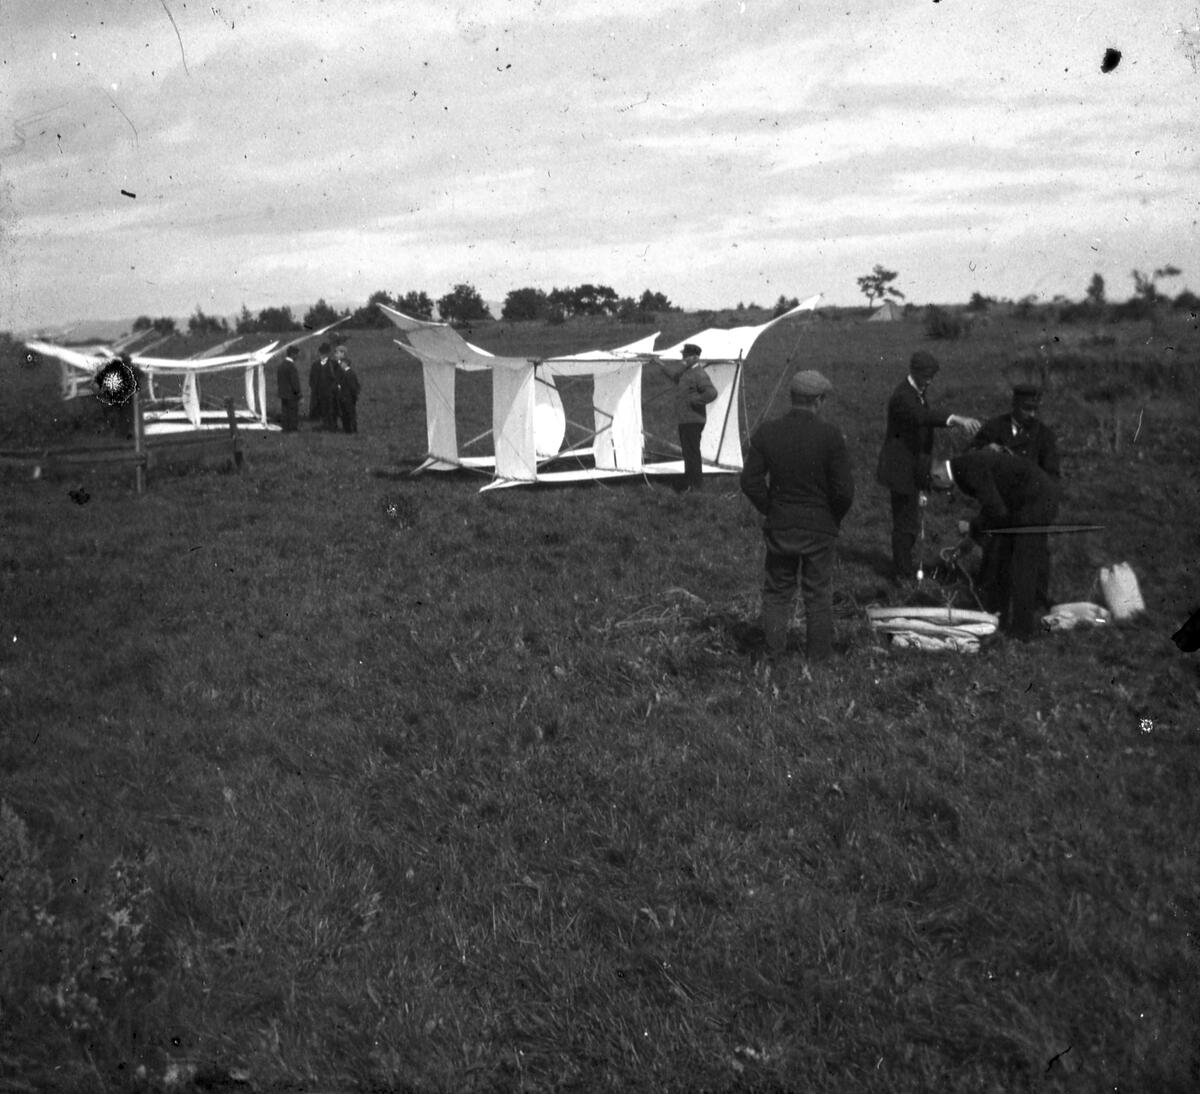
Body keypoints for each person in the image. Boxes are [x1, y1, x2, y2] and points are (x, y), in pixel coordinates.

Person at [740, 370, 855, 663]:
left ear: (792, 398)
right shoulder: (831, 436)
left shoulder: (767, 432)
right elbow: (844, 491)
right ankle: (819, 657)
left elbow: (750, 482)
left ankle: (774, 654)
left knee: (777, 591)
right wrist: (831, 518)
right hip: (819, 527)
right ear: (818, 400)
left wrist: (772, 508)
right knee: (817, 593)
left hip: (781, 525)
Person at [930, 448, 1060, 639]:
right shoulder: (964, 466)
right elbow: (994, 503)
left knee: (1022, 565)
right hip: (1029, 499)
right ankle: (1031, 612)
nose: (943, 493)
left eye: (936, 487)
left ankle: (1022, 631)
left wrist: (973, 527)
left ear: (938, 476)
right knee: (1016, 556)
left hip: (1034, 502)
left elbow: (996, 510)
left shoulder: (966, 471)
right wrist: (972, 539)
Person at [875, 350, 980, 582]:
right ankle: (902, 573)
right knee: (905, 523)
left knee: (910, 521)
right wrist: (957, 419)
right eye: (926, 376)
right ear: (913, 372)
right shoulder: (903, 396)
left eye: (932, 376)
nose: (929, 381)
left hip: (914, 466)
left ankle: (904, 566)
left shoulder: (918, 391)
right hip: (900, 470)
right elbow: (923, 417)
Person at [970, 383, 1061, 608]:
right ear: (1014, 405)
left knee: (1035, 554)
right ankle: (989, 599)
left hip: (1030, 505)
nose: (1031, 414)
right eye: (1026, 409)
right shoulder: (994, 428)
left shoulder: (1044, 435)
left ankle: (1035, 601)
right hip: (999, 501)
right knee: (995, 549)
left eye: (1034, 410)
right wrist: (985, 452)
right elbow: (969, 458)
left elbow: (1052, 475)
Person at [657, 343, 717, 491]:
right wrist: (658, 363)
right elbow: (674, 376)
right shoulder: (686, 372)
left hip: (693, 420)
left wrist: (693, 400)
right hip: (685, 420)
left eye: (686, 356)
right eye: (683, 356)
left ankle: (695, 485)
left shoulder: (699, 374)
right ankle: (690, 482)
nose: (683, 359)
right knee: (688, 452)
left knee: (692, 453)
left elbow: (712, 393)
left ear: (695, 358)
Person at [334, 346, 360, 433]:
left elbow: (353, 387)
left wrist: (353, 396)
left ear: (345, 364)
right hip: (344, 397)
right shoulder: (347, 373)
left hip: (347, 398)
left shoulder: (349, 374)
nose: (341, 365)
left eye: (342, 363)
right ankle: (348, 429)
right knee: (345, 414)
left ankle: (351, 430)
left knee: (349, 414)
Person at [276, 346, 302, 433]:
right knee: (292, 412)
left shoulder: (281, 365)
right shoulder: (291, 367)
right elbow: (295, 382)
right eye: (297, 354)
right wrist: (299, 393)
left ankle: (285, 428)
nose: (298, 356)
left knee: (285, 412)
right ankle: (292, 428)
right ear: (292, 354)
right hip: (291, 394)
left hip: (283, 393)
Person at [309, 342, 334, 424]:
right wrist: (313, 387)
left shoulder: (332, 364)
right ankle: (316, 418)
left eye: (325, 352)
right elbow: (311, 378)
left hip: (328, 390)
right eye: (322, 352)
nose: (323, 354)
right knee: (317, 404)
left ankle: (327, 419)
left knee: (328, 406)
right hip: (317, 390)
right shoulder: (315, 364)